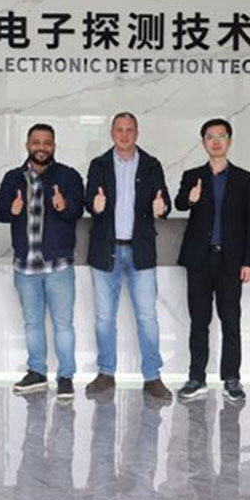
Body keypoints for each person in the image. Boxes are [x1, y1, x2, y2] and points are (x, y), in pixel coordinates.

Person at [84, 111, 172, 400]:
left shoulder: (151, 164)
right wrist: (94, 205)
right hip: (105, 249)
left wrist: (162, 208)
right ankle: (106, 373)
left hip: (140, 250)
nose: (124, 135)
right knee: (104, 318)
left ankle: (153, 376)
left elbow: (164, 201)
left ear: (137, 133)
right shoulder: (98, 164)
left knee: (147, 318)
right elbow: (88, 200)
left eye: (129, 130)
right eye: (119, 130)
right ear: (112, 133)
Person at [0, 124, 84, 399]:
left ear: (54, 146)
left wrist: (64, 206)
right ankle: (37, 372)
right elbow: (0, 213)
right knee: (32, 323)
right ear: (27, 145)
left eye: (47, 142)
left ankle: (66, 376)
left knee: (63, 324)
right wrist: (11, 209)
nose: (41, 147)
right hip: (25, 266)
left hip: (58, 266)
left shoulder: (68, 176)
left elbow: (77, 211)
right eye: (36, 142)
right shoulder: (13, 177)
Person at [174, 118, 250, 402]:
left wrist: (249, 261)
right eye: (210, 137)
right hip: (199, 258)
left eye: (221, 136)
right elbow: (179, 204)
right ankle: (196, 377)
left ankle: (232, 379)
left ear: (229, 141)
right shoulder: (192, 175)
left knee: (231, 321)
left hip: (231, 260)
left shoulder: (245, 179)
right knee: (199, 321)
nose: (216, 141)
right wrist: (191, 198)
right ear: (203, 143)